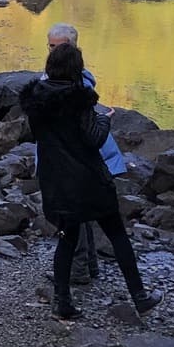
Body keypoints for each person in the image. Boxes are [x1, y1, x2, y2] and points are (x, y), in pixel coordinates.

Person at [22, 42, 161, 321]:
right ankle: (140, 297)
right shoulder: (79, 100)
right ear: (76, 69)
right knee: (117, 235)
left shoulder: (34, 100)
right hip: (88, 180)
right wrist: (106, 120)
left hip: (55, 181)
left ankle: (62, 302)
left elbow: (40, 136)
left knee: (66, 238)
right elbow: (93, 138)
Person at [46, 23, 124, 283]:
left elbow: (88, 133)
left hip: (75, 164)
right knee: (81, 217)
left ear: (73, 49)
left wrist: (104, 121)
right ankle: (88, 267)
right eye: (50, 46)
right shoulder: (56, 81)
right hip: (69, 161)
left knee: (73, 219)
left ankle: (77, 273)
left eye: (58, 47)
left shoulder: (77, 86)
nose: (52, 52)